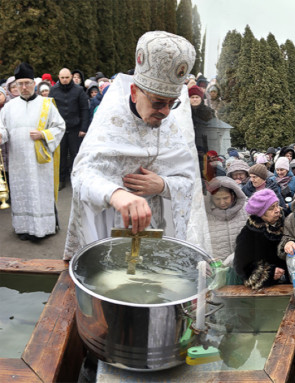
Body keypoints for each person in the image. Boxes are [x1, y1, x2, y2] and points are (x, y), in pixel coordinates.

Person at [63, 31, 197, 260]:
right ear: (135, 92)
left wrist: (163, 185)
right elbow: (81, 174)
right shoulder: (110, 120)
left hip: (152, 227)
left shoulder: (170, 126)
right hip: (107, 225)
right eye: (158, 102)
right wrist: (115, 194)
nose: (165, 112)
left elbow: (187, 179)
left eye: (171, 104)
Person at [0, 63, 65, 240]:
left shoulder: (47, 105)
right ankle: (23, 228)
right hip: (18, 160)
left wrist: (44, 134)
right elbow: (3, 129)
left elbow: (60, 126)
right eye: (20, 84)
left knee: (40, 192)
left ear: (34, 84)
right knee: (22, 194)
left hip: (40, 161)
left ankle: (43, 229)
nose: (24, 87)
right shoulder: (9, 108)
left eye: (27, 83)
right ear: (15, 86)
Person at [234, 189, 288, 290]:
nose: (277, 210)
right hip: (268, 290)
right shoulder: (248, 234)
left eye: (277, 205)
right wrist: (270, 273)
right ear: (260, 213)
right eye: (271, 208)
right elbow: (241, 267)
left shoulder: (287, 221)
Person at [49, 68, 90, 190]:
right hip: (59, 129)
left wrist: (84, 128)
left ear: (71, 77)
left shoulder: (79, 90)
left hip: (75, 128)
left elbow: (84, 110)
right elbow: (49, 111)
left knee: (76, 155)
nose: (65, 80)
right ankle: (61, 180)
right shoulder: (53, 90)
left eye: (67, 77)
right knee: (60, 156)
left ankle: (77, 179)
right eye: (62, 78)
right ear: (58, 77)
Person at [205, 177, 248, 263]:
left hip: (244, 264)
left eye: (225, 198)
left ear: (233, 195)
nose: (222, 203)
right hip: (216, 268)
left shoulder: (247, 210)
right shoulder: (203, 215)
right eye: (217, 199)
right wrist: (205, 260)